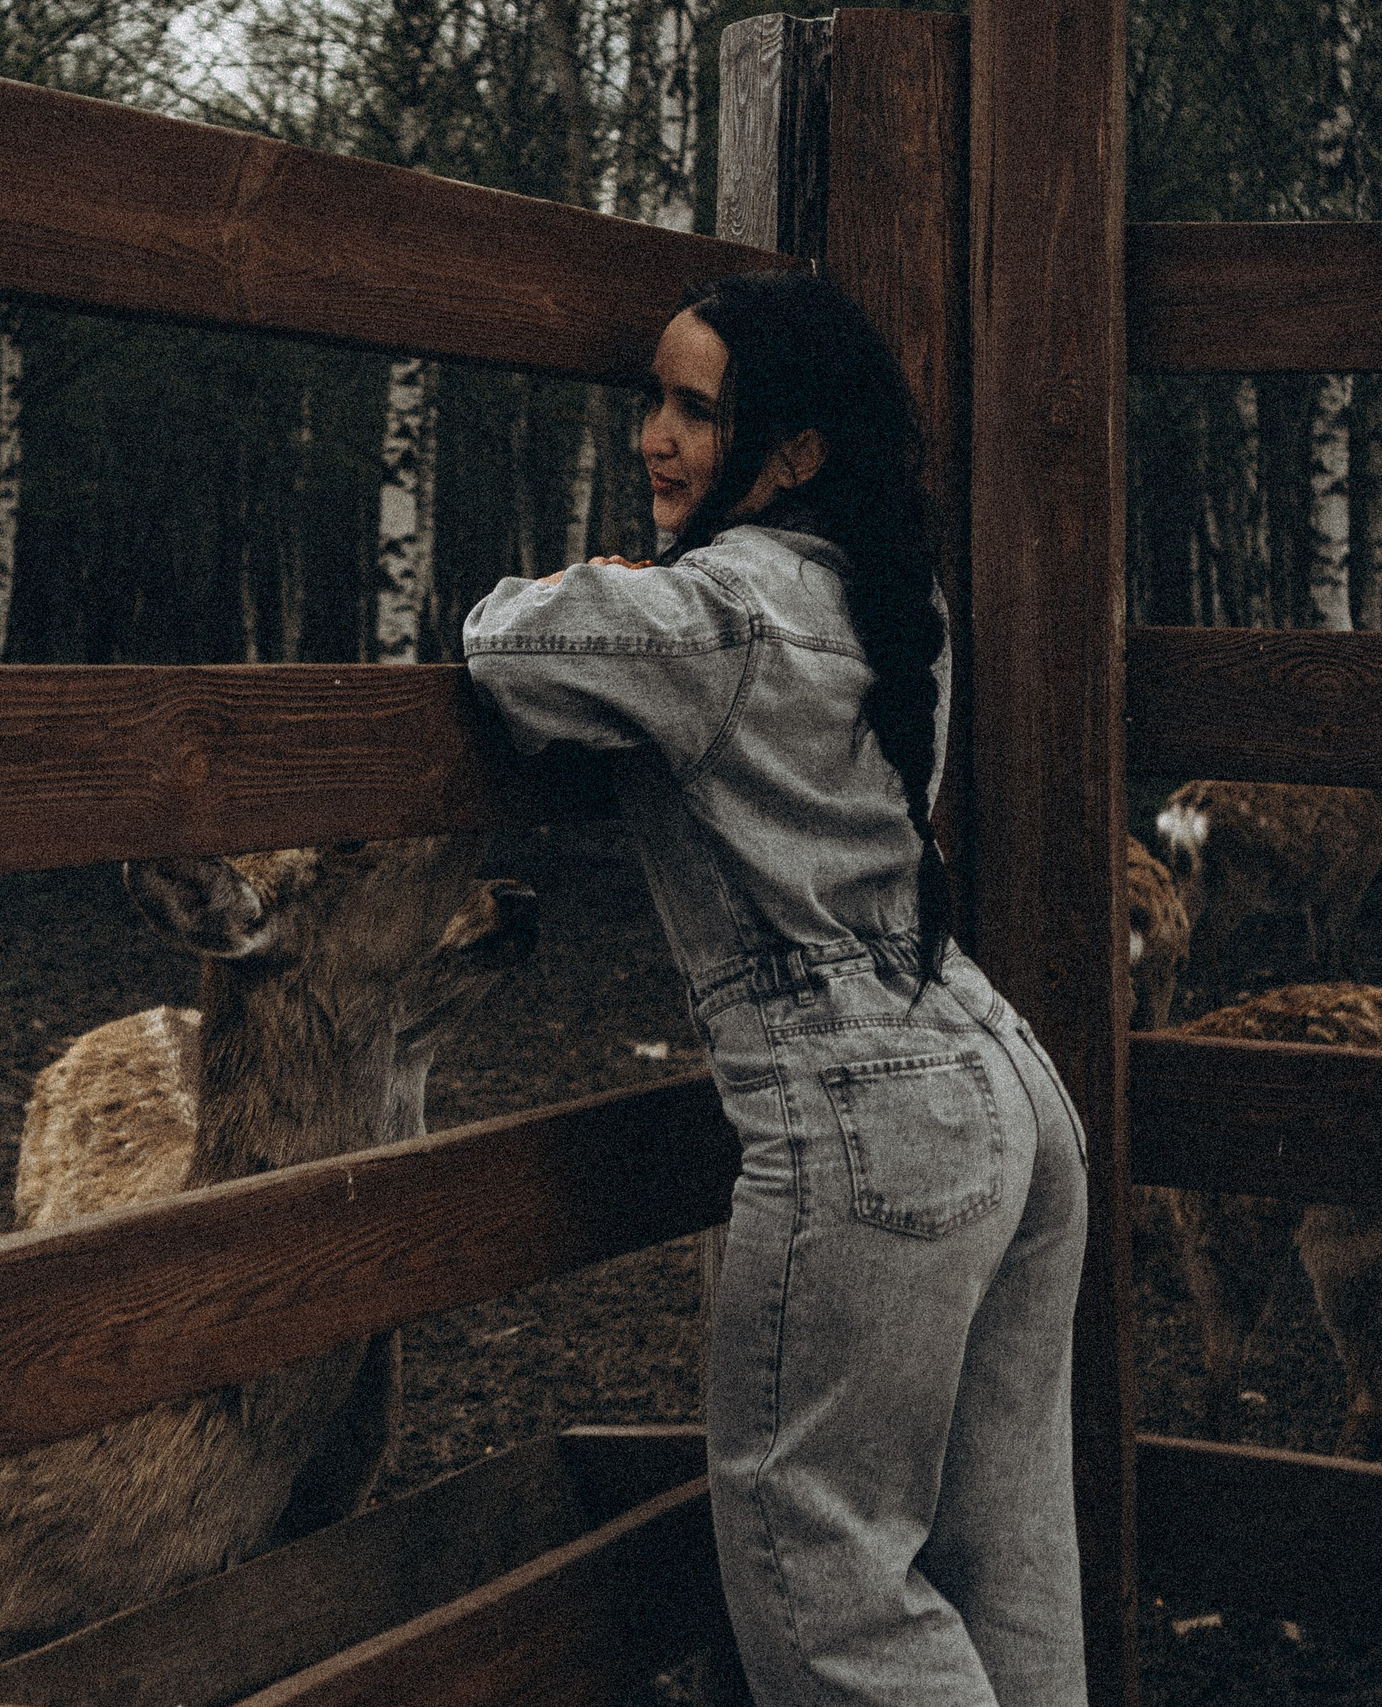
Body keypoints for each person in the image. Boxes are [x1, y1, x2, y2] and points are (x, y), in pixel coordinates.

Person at [461, 269, 1089, 1707]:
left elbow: (505, 648)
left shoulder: (714, 618)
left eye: (695, 410)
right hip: (1004, 1085)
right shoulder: (883, 588)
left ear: (791, 454)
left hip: (873, 1123)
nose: (654, 439)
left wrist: (605, 586)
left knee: (826, 1591)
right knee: (1010, 1569)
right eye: (652, 402)